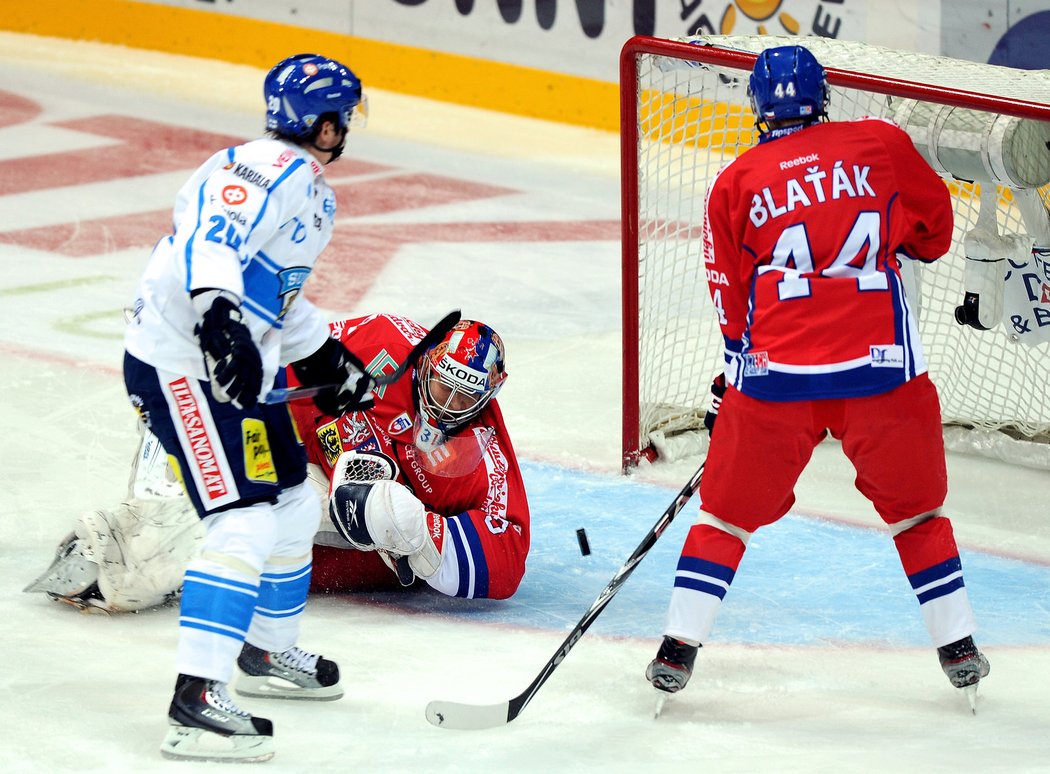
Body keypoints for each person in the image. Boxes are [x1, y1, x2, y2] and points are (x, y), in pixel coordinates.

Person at [645, 45, 990, 710]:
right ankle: (959, 645)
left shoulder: (738, 180)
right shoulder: (880, 143)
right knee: (917, 514)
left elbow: (729, 292)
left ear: (756, 106)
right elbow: (936, 234)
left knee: (725, 517)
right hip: (882, 372)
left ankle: (678, 646)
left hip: (779, 379)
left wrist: (736, 374)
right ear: (823, 97)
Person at [121, 53, 375, 762]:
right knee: (242, 519)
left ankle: (265, 654)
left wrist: (326, 357)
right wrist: (215, 318)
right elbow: (211, 237)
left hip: (233, 373)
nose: (346, 127)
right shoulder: (260, 167)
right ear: (322, 123)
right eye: (343, 115)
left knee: (294, 499)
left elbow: (275, 294)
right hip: (180, 368)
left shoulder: (313, 194)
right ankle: (195, 699)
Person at [28, 314, 529, 604]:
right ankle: (121, 547)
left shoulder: (480, 454)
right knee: (240, 482)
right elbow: (285, 369)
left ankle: (129, 570)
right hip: (299, 455)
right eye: (444, 386)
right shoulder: (380, 343)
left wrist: (412, 526)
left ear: (492, 392)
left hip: (362, 549)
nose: (451, 405)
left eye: (468, 398)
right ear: (427, 363)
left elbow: (506, 561)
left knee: (263, 537)